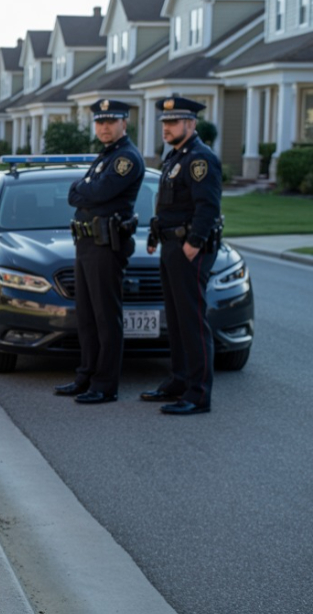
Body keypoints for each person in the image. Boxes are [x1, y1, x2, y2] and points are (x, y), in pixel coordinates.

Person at [54, 99, 144, 404]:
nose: (104, 127)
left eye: (110, 121)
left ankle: (105, 385)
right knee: (87, 317)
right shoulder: (106, 156)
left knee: (106, 317)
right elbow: (75, 194)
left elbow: (98, 191)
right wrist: (84, 189)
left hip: (107, 245)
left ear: (124, 123)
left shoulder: (126, 159)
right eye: (99, 122)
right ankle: (86, 376)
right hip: (87, 244)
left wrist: (84, 188)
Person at [141, 97, 222, 415]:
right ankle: (178, 380)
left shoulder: (200, 159)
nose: (166, 127)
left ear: (191, 124)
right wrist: (154, 235)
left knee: (192, 321)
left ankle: (198, 394)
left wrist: (194, 242)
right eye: (164, 122)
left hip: (190, 249)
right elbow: (168, 203)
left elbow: (208, 206)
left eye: (173, 122)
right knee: (175, 318)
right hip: (171, 246)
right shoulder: (175, 157)